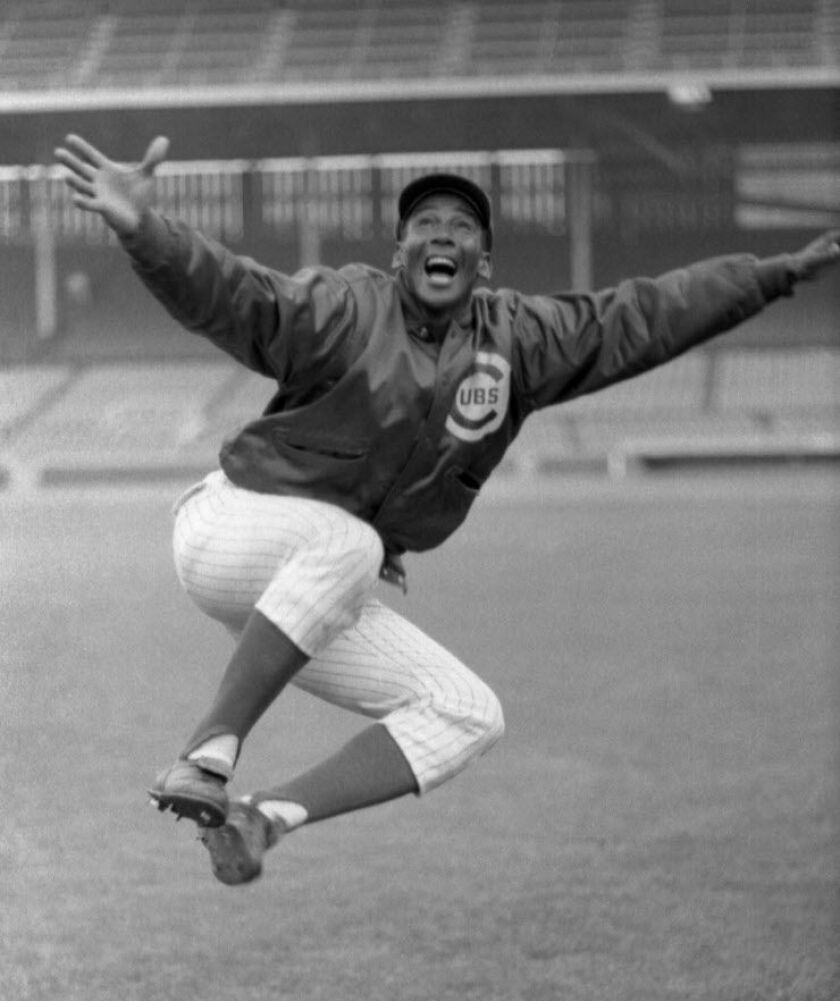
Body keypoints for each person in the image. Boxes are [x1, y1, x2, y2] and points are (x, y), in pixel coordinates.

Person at [54, 133, 840, 886]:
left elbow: (641, 316)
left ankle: (263, 818)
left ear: (483, 262)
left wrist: (770, 275)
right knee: (353, 547)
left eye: (461, 225)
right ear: (399, 255)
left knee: (467, 712)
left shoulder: (520, 343)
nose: (442, 234)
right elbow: (237, 296)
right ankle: (205, 755)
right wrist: (144, 228)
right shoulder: (348, 309)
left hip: (308, 583)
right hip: (230, 530)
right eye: (423, 224)